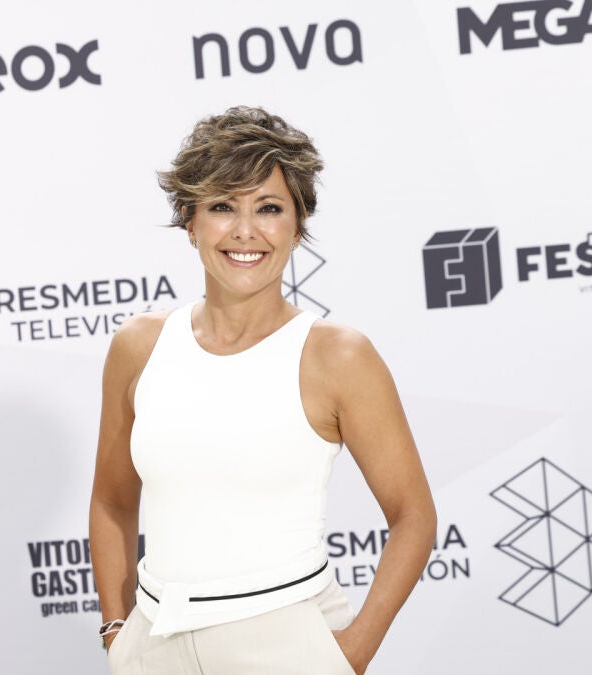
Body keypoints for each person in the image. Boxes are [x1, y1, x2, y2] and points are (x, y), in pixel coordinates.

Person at [89, 106, 436, 674]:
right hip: (153, 643)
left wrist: (349, 655)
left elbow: (413, 516)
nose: (245, 231)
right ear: (190, 220)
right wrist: (117, 634)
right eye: (222, 206)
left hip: (288, 643)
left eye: (269, 208)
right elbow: (111, 501)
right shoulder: (139, 346)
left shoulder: (338, 356)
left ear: (298, 226)